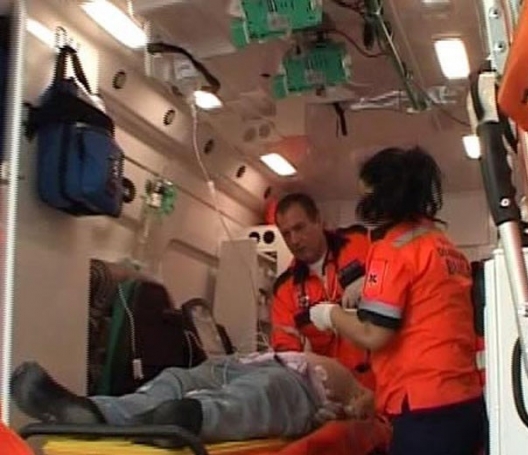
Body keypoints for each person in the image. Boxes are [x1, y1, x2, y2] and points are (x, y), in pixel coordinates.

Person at [308, 146, 486, 455]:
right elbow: (426, 330)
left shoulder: (393, 248)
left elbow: (373, 333)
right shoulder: (444, 246)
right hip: (465, 403)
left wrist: (329, 314)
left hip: (425, 413)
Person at [10, 352, 375, 446]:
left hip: (301, 384)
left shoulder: (368, 374)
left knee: (265, 392)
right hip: (237, 362)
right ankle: (93, 411)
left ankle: (189, 417)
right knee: (175, 378)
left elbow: (372, 409)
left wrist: (350, 410)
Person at [271, 192, 374, 389]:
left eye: (299, 228)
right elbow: (286, 353)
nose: (294, 240)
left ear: (318, 220)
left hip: (384, 381)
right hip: (334, 391)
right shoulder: (285, 290)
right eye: (286, 234)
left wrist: (372, 282)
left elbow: (401, 276)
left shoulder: (360, 242)